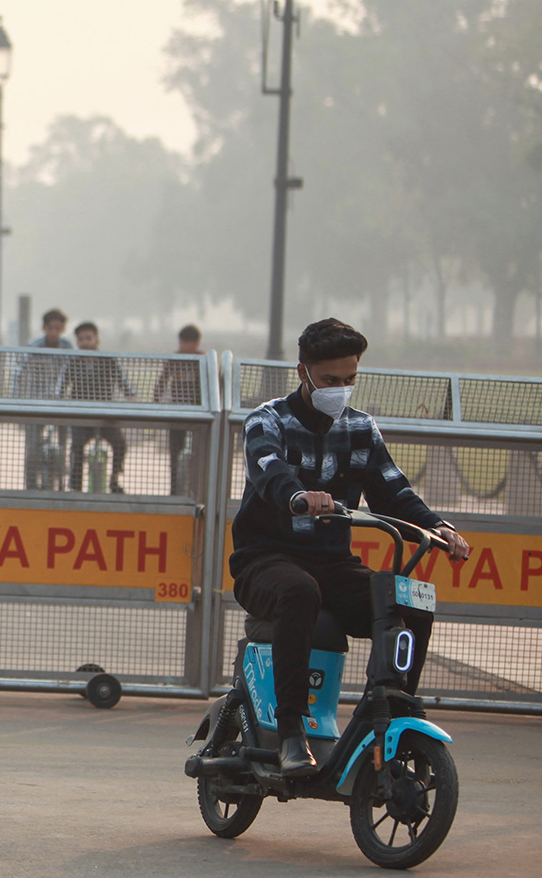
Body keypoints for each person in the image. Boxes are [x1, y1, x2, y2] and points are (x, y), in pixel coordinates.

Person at [229, 318, 470, 777]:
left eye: (349, 380)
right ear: (304, 372)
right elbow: (269, 469)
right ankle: (292, 732)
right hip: (265, 561)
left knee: (408, 601)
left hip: (333, 563)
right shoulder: (267, 420)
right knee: (299, 592)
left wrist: (438, 528)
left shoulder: (362, 429)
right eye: (329, 380)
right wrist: (298, 496)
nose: (340, 390)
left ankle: (390, 715)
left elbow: (393, 492)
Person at [65, 321, 135, 492]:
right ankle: (75, 484)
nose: (85, 343)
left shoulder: (109, 361)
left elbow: (125, 383)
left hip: (106, 416)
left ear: (97, 340)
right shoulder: (73, 362)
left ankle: (114, 479)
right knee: (77, 446)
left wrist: (131, 398)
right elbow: (61, 386)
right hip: (81, 416)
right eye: (81, 340)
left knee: (119, 444)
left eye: (89, 338)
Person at [14, 308, 73, 489]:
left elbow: (75, 369)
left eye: (58, 328)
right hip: (35, 402)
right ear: (44, 328)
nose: (54, 332)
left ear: (63, 328)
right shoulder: (34, 346)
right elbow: (18, 371)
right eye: (51, 328)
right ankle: (30, 484)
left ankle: (61, 481)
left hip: (60, 402)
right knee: (32, 447)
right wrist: (14, 397)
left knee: (63, 443)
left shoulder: (67, 347)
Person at [153, 323, 205, 495]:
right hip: (177, 412)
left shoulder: (203, 359)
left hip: (200, 414)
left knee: (199, 452)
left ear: (196, 343)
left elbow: (212, 382)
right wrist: (156, 401)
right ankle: (174, 488)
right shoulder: (174, 360)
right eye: (181, 343)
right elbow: (162, 381)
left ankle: (196, 488)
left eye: (187, 343)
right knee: (175, 451)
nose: (183, 347)